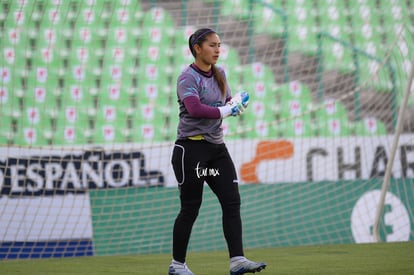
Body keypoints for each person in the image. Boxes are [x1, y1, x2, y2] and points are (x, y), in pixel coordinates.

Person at [168, 28, 267, 275]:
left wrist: (236, 104)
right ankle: (177, 265)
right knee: (190, 208)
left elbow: (228, 102)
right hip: (191, 150)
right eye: (212, 45)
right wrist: (226, 111)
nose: (217, 49)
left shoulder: (220, 73)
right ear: (197, 48)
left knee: (232, 202)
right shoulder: (187, 78)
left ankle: (237, 260)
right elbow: (194, 108)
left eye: (219, 45)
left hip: (216, 150)